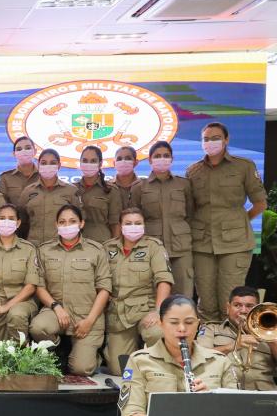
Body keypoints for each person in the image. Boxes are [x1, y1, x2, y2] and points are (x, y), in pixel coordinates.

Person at [188, 122, 266, 322]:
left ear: (226, 140)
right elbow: (191, 208)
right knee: (206, 302)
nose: (210, 142)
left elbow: (260, 203)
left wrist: (239, 221)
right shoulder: (193, 171)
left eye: (215, 138)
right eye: (206, 139)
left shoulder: (244, 166)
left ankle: (233, 349)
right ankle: (208, 348)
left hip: (235, 244)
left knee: (230, 301)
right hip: (202, 244)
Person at [30, 205, 112, 375]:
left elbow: (104, 289)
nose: (67, 225)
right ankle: (57, 349)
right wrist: (56, 307)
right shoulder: (45, 250)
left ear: (81, 223)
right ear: (56, 225)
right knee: (38, 327)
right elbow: (39, 286)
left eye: (72, 221)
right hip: (56, 311)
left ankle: (89, 355)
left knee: (81, 369)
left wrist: (89, 321)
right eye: (62, 222)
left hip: (87, 314)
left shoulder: (96, 250)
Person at [102, 208, 173, 376]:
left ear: (144, 225)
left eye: (138, 223)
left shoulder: (153, 247)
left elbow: (164, 280)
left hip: (145, 309)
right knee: (119, 370)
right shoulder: (107, 247)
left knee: (156, 332)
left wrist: (158, 312)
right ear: (120, 226)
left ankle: (161, 369)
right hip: (118, 314)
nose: (133, 227)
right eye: (128, 223)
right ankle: (138, 356)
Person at [130, 141, 195, 297]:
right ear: (150, 160)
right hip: (152, 248)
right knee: (153, 295)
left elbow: (191, 214)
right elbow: (135, 218)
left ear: (172, 159)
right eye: (157, 156)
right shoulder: (140, 187)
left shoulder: (183, 184)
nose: (162, 159)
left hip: (181, 248)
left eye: (166, 155)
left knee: (183, 295)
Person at [0, 203, 42, 342]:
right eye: (2, 218)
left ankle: (24, 353)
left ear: (18, 223)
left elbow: (31, 286)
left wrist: (6, 306)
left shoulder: (28, 249)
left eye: (11, 218)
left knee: (16, 316)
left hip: (21, 303)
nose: (6, 222)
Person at [199, 286, 277, 391]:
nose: (243, 311)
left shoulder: (271, 331)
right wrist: (234, 345)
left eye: (249, 306)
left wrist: (270, 337)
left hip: (263, 394)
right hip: (225, 392)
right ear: (228, 307)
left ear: (257, 309)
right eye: (237, 305)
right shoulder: (211, 329)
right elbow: (199, 358)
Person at [21, 148, 80, 245]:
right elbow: (21, 223)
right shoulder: (28, 191)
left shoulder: (71, 191)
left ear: (59, 165)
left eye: (52, 163)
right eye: (44, 163)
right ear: (38, 165)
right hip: (34, 247)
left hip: (60, 247)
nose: (48, 166)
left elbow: (79, 222)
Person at [75, 146, 121, 243]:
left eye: (93, 161)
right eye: (85, 160)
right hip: (76, 244)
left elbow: (115, 224)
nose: (88, 164)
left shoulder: (110, 190)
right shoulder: (72, 189)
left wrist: (113, 249)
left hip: (102, 244)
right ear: (80, 163)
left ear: (100, 164)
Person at [0, 136, 39, 229]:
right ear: (14, 154)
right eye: (19, 149)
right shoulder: (5, 178)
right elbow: (3, 206)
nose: (24, 151)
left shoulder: (43, 176)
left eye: (28, 148)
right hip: (14, 228)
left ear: (35, 151)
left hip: (39, 227)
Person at [112, 146, 140, 210]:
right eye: (119, 159)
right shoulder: (107, 188)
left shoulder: (144, 187)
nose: (123, 161)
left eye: (128, 158)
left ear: (136, 162)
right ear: (114, 163)